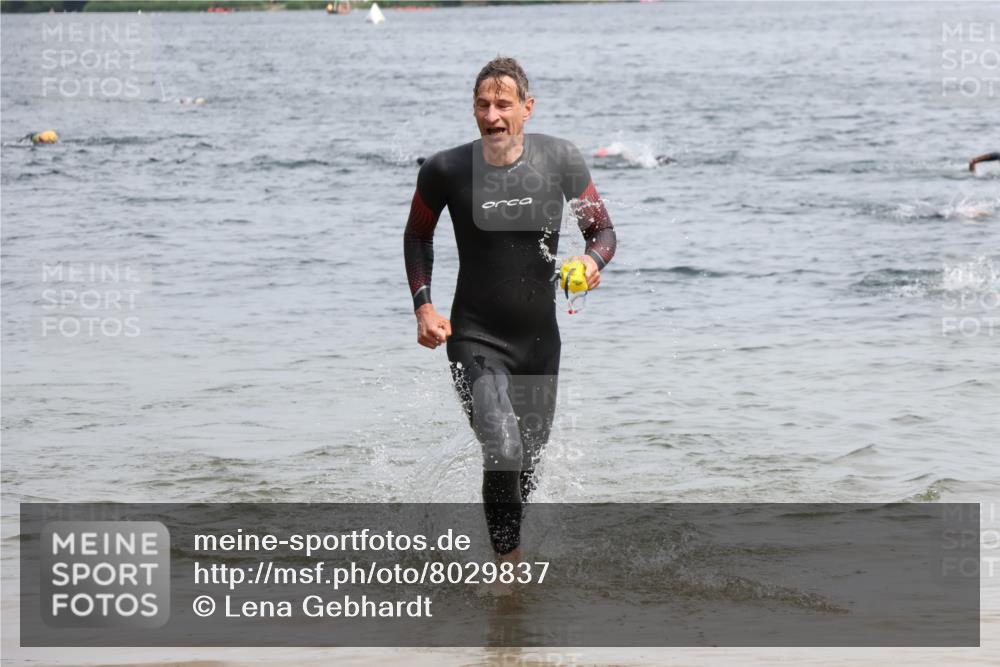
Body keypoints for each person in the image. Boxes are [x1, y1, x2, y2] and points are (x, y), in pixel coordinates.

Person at [402, 57, 616, 568]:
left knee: (524, 466)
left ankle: (506, 570)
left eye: (503, 104)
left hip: (539, 345)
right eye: (482, 104)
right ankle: (508, 573)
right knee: (502, 445)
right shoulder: (446, 169)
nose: (492, 114)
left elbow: (602, 232)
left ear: (527, 108)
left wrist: (590, 261)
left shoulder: (560, 159)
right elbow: (417, 235)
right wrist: (424, 306)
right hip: (475, 338)